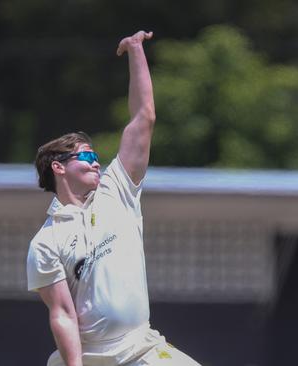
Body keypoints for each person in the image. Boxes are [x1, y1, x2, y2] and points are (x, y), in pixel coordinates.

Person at [26, 31, 201, 366]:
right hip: (90, 357)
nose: (97, 164)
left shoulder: (115, 190)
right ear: (58, 168)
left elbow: (143, 118)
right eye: (87, 158)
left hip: (141, 346)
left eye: (97, 158)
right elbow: (62, 314)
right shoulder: (46, 242)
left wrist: (136, 51)